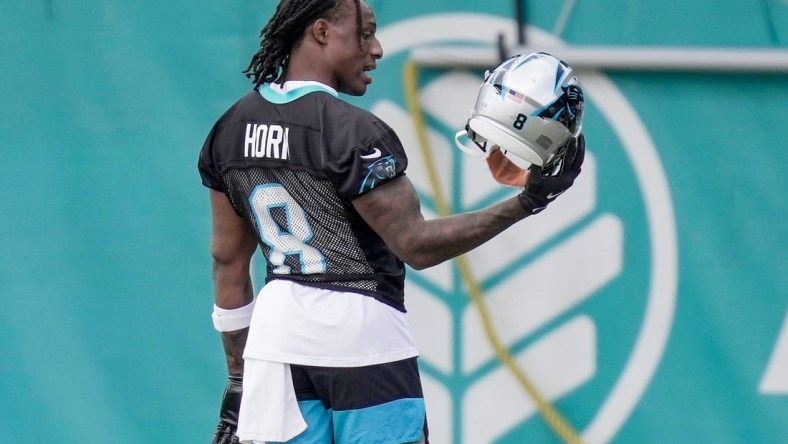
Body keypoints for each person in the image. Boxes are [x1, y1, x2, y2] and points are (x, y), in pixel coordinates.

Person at [198, 0, 585, 442]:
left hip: (277, 347)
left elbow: (227, 263)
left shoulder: (230, 128)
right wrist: (527, 202)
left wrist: (238, 378)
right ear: (321, 33)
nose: (377, 48)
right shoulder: (353, 131)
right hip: (362, 339)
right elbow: (415, 244)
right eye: (364, 34)